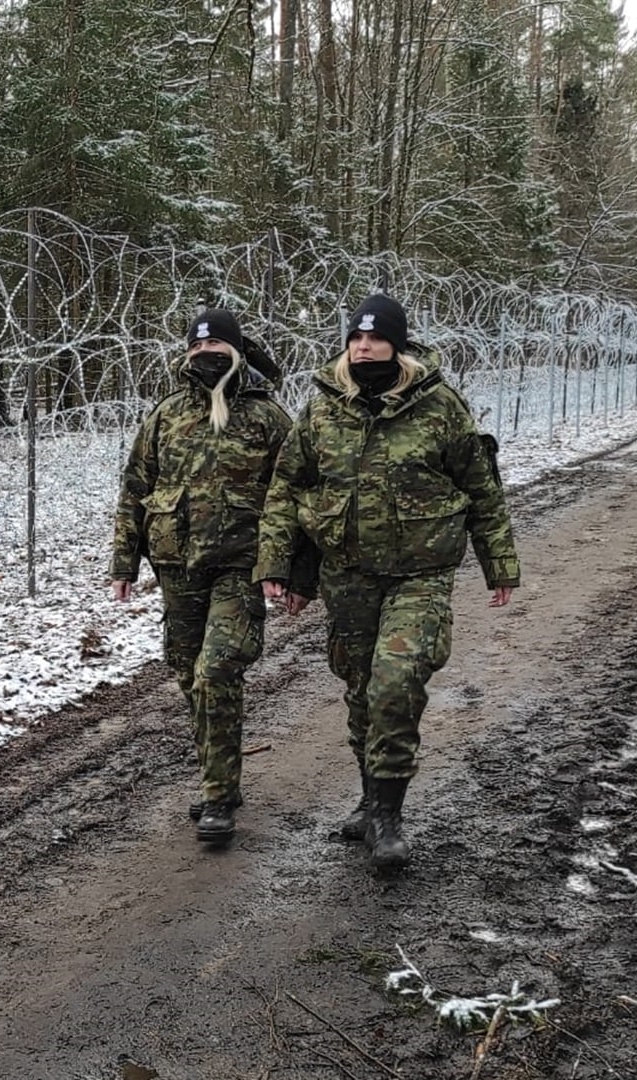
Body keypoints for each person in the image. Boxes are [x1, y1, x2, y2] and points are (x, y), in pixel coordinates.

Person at [254, 293, 518, 871]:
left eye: (375, 338)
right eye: (355, 338)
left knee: (396, 681)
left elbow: (480, 489)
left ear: (398, 344)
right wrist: (277, 564)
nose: (363, 346)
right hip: (345, 574)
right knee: (360, 687)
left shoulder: (440, 407)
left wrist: (499, 562)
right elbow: (287, 489)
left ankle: (388, 817)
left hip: (419, 574)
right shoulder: (323, 408)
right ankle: (370, 799)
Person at [110, 308, 316, 843]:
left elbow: (299, 495)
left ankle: (218, 795)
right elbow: (135, 488)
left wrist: (295, 570)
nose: (207, 357)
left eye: (217, 349)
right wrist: (124, 563)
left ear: (236, 352)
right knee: (187, 674)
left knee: (216, 670)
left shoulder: (267, 418)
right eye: (198, 350)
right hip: (177, 568)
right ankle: (220, 774)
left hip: (241, 568)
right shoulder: (167, 415)